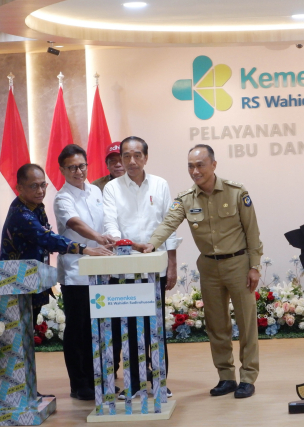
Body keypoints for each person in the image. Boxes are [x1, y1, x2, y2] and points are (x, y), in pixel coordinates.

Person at [143, 144, 263, 399]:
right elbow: (168, 223)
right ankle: (226, 377)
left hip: (238, 264)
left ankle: (248, 377)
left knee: (246, 323)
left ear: (213, 165)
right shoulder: (186, 199)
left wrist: (254, 266)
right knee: (216, 325)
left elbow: (252, 231)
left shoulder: (236, 192)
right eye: (190, 166)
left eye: (200, 165)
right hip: (208, 266)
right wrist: (152, 243)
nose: (195, 171)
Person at [0, 163, 113, 395]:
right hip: (16, 287)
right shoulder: (21, 214)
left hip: (31, 285)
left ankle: (27, 391)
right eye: (34, 186)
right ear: (19, 187)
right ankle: (17, 392)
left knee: (26, 339)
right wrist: (85, 249)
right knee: (17, 341)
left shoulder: (35, 207)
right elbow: (47, 238)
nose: (40, 190)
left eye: (43, 185)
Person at [103, 136, 181, 400]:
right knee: (129, 328)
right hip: (123, 271)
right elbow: (109, 225)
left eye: (137, 155)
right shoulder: (112, 188)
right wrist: (124, 244)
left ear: (146, 157)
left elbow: (168, 225)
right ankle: (134, 382)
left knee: (154, 327)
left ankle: (159, 381)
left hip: (153, 269)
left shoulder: (160, 185)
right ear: (121, 159)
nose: (131, 161)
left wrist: (172, 265)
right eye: (126, 156)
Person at [54, 145, 116, 401]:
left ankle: (100, 380)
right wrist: (99, 238)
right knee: (78, 330)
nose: (78, 171)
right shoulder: (62, 197)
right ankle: (79, 384)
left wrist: (112, 238)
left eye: (82, 166)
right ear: (62, 170)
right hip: (76, 273)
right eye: (72, 167)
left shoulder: (97, 192)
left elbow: (107, 220)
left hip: (102, 270)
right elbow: (75, 224)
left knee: (100, 329)